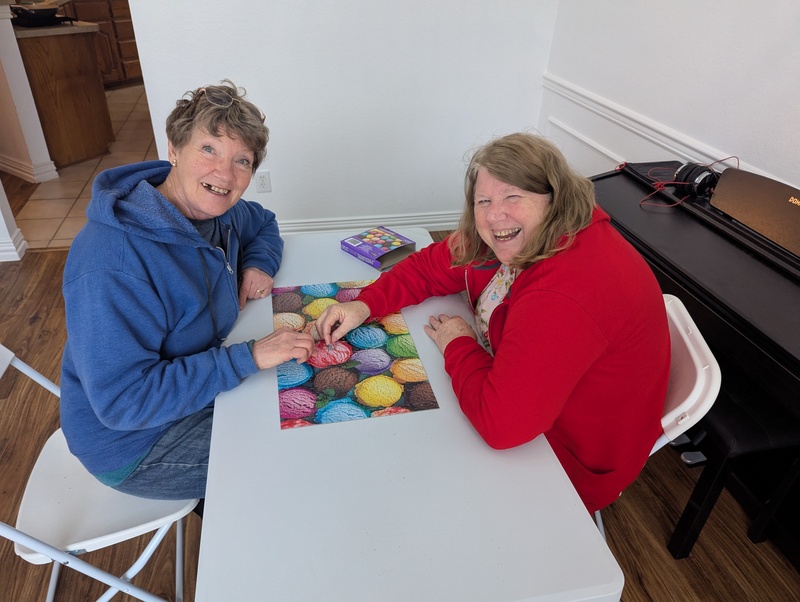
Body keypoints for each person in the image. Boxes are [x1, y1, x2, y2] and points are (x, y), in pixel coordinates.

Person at [316, 133, 670, 513]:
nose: (493, 214)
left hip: (565, 462)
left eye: (513, 197)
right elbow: (429, 266)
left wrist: (457, 343)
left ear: (555, 198)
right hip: (531, 404)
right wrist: (364, 305)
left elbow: (502, 428)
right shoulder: (524, 237)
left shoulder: (565, 288)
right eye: (483, 201)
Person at [61, 80, 315, 503]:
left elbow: (265, 224)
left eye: (243, 161)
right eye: (208, 149)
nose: (225, 174)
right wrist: (247, 356)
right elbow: (124, 402)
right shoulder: (112, 264)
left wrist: (256, 265)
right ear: (174, 150)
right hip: (134, 444)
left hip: (191, 383)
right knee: (293, 456)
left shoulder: (218, 211)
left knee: (297, 401)